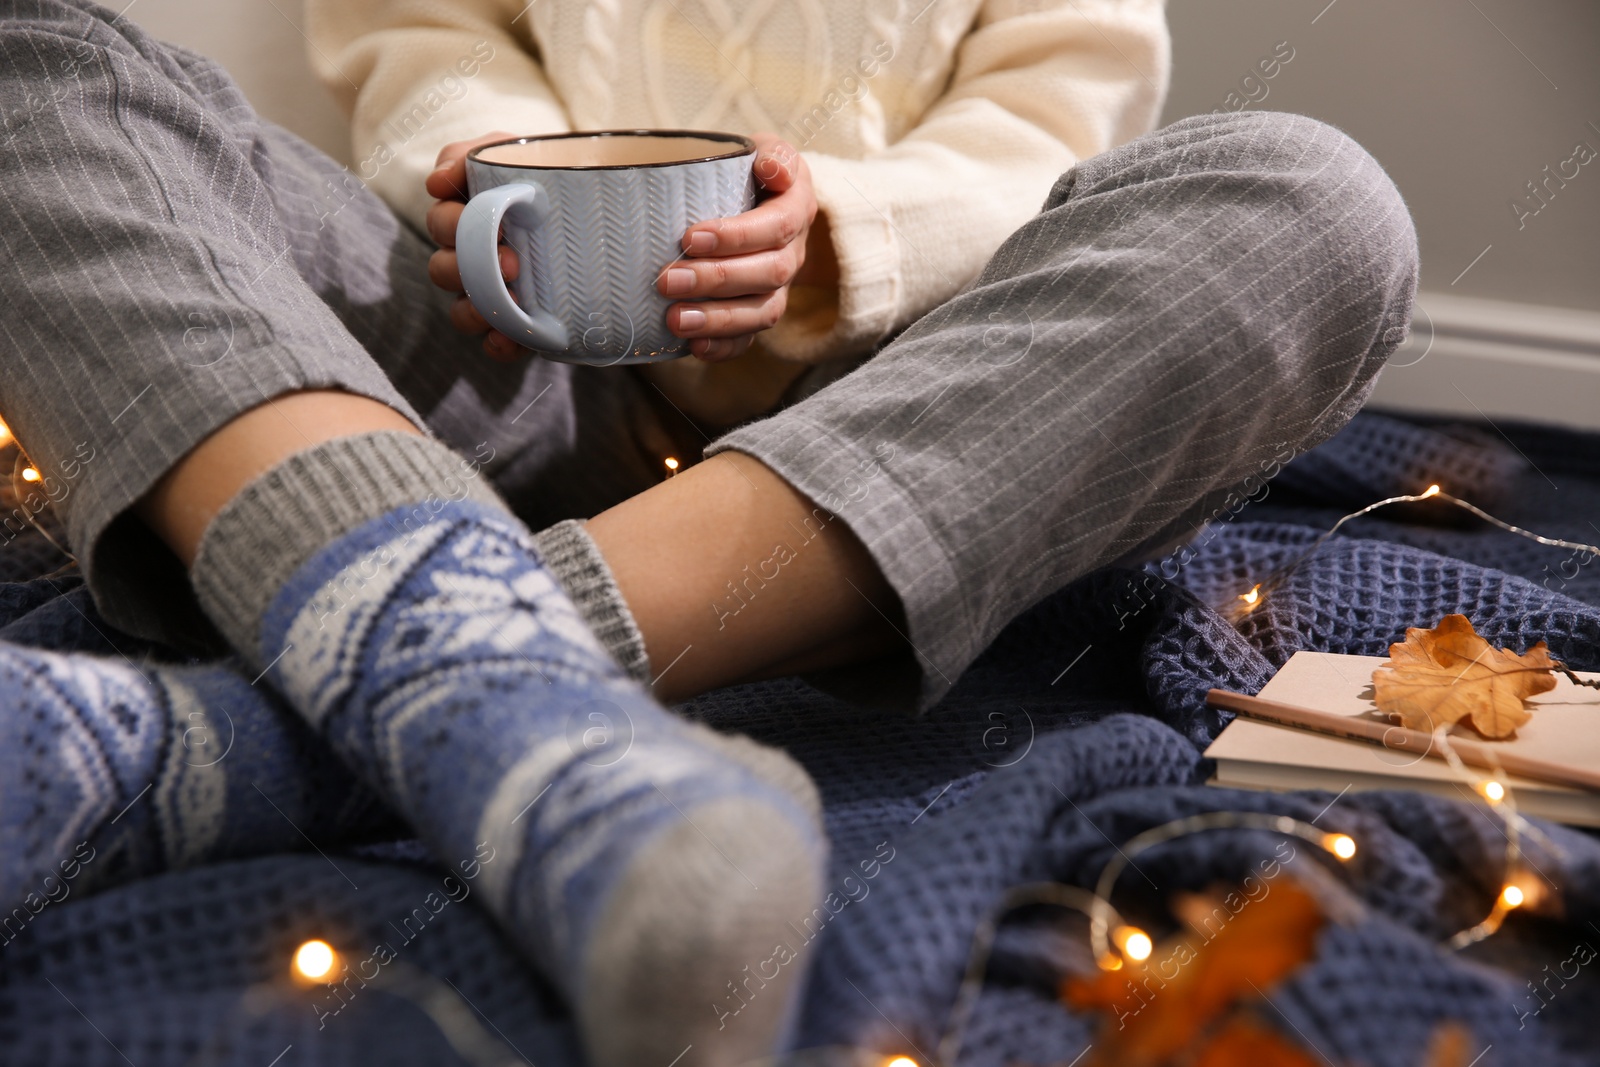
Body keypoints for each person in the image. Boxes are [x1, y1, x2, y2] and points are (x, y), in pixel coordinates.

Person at [0, 0, 1417, 1064]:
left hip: (900, 389)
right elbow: (418, 23)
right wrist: (479, 149)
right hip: (505, 358)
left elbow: (1053, 119)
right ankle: (500, 703)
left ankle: (299, 716)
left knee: (1321, 210)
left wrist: (842, 237)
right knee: (37, 61)